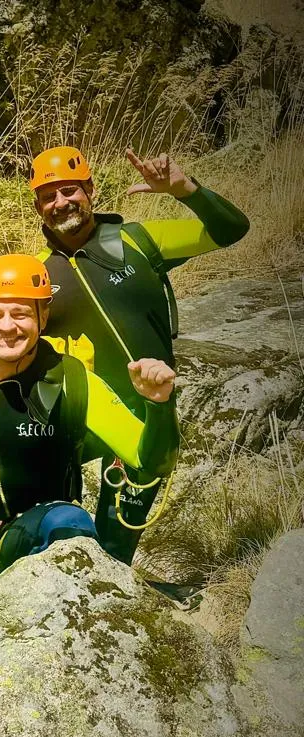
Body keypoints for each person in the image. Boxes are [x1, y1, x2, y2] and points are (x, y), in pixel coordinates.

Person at [31, 146, 248, 562]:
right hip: (85, 416)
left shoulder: (140, 240)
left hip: (147, 411)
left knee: (117, 540)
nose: (61, 203)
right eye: (48, 196)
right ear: (39, 206)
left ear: (90, 189)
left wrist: (186, 190)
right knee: (52, 524)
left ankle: (113, 592)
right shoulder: (40, 274)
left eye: (69, 190)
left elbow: (233, 229)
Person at [0, 254, 179, 579]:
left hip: (31, 531)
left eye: (21, 314)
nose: (6, 327)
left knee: (70, 523)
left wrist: (159, 405)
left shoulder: (73, 380)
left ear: (44, 314)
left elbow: (150, 461)